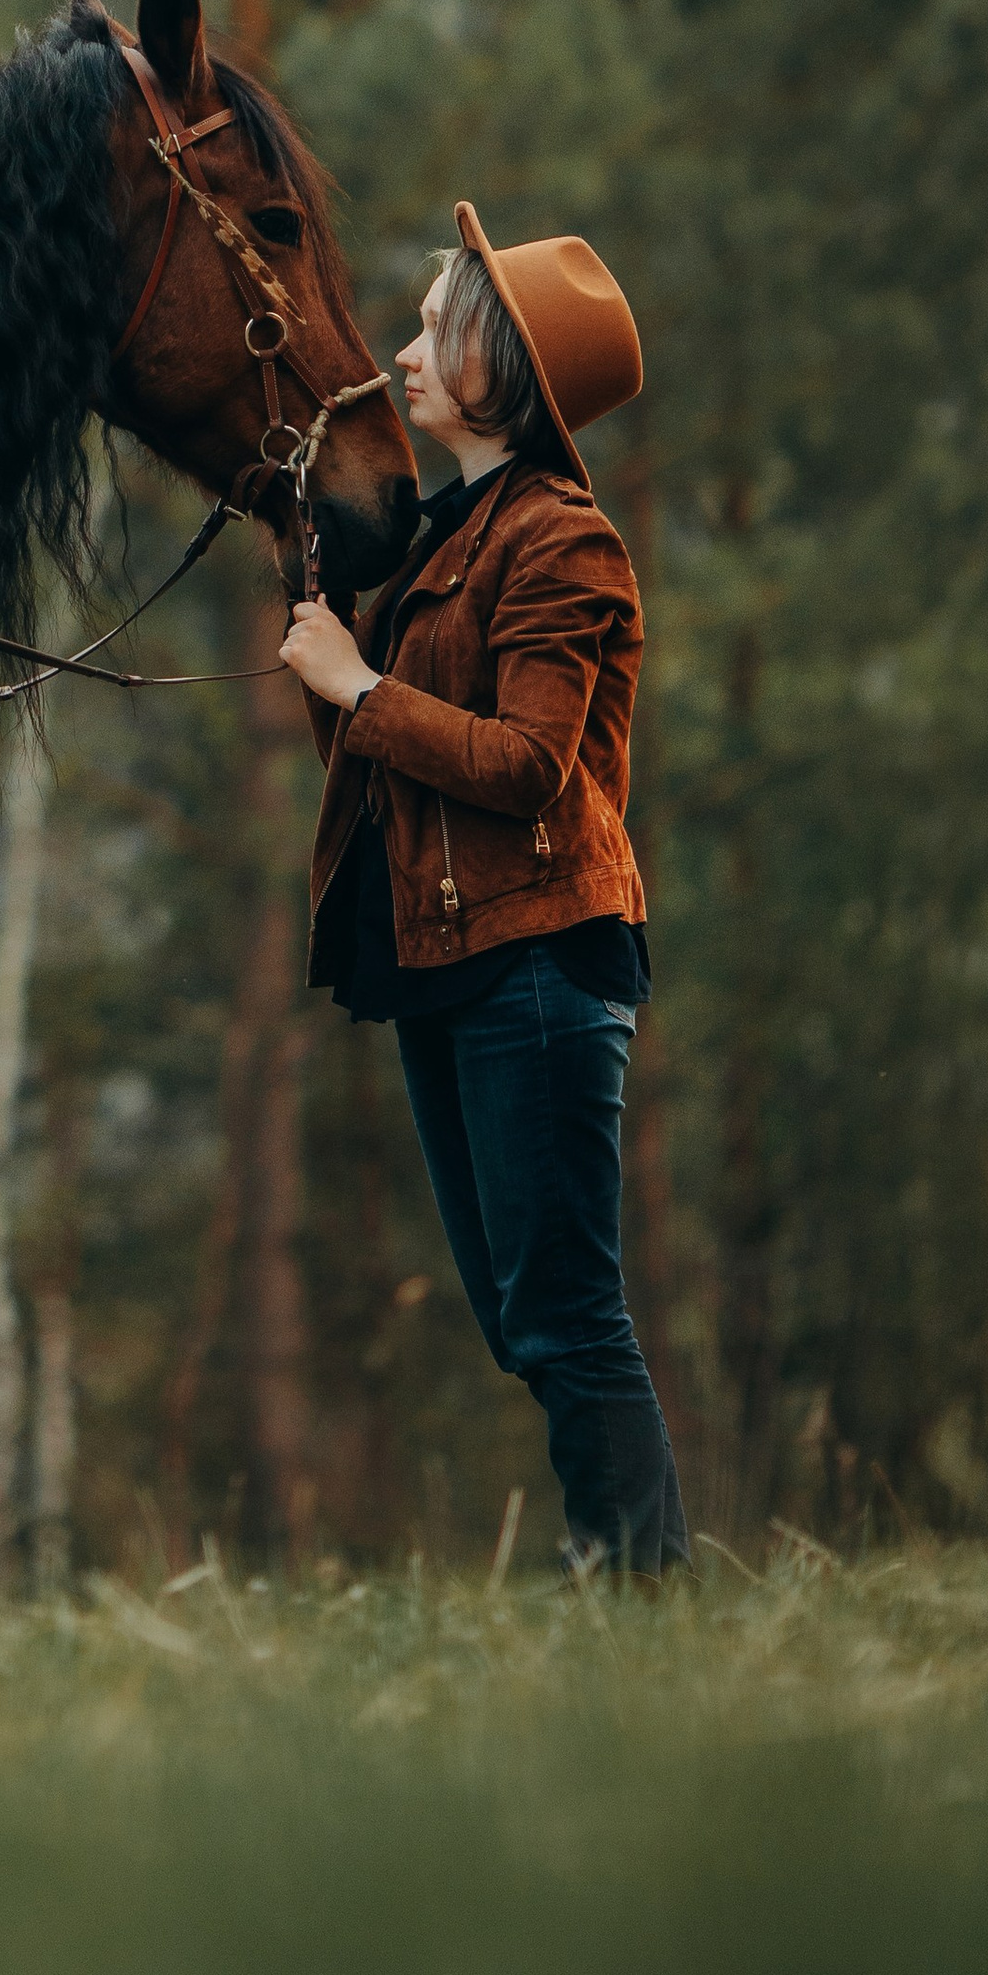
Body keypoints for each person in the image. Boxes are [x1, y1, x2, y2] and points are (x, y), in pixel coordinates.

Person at [280, 205, 688, 1581]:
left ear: (502, 372)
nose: (402, 354)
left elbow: (525, 770)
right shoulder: (458, 538)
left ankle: (644, 1598)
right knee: (525, 1322)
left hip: (543, 961)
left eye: (433, 330)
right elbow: (378, 761)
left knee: (568, 1316)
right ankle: (619, 1580)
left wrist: (360, 683)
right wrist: (334, 637)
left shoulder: (560, 544)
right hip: (452, 961)